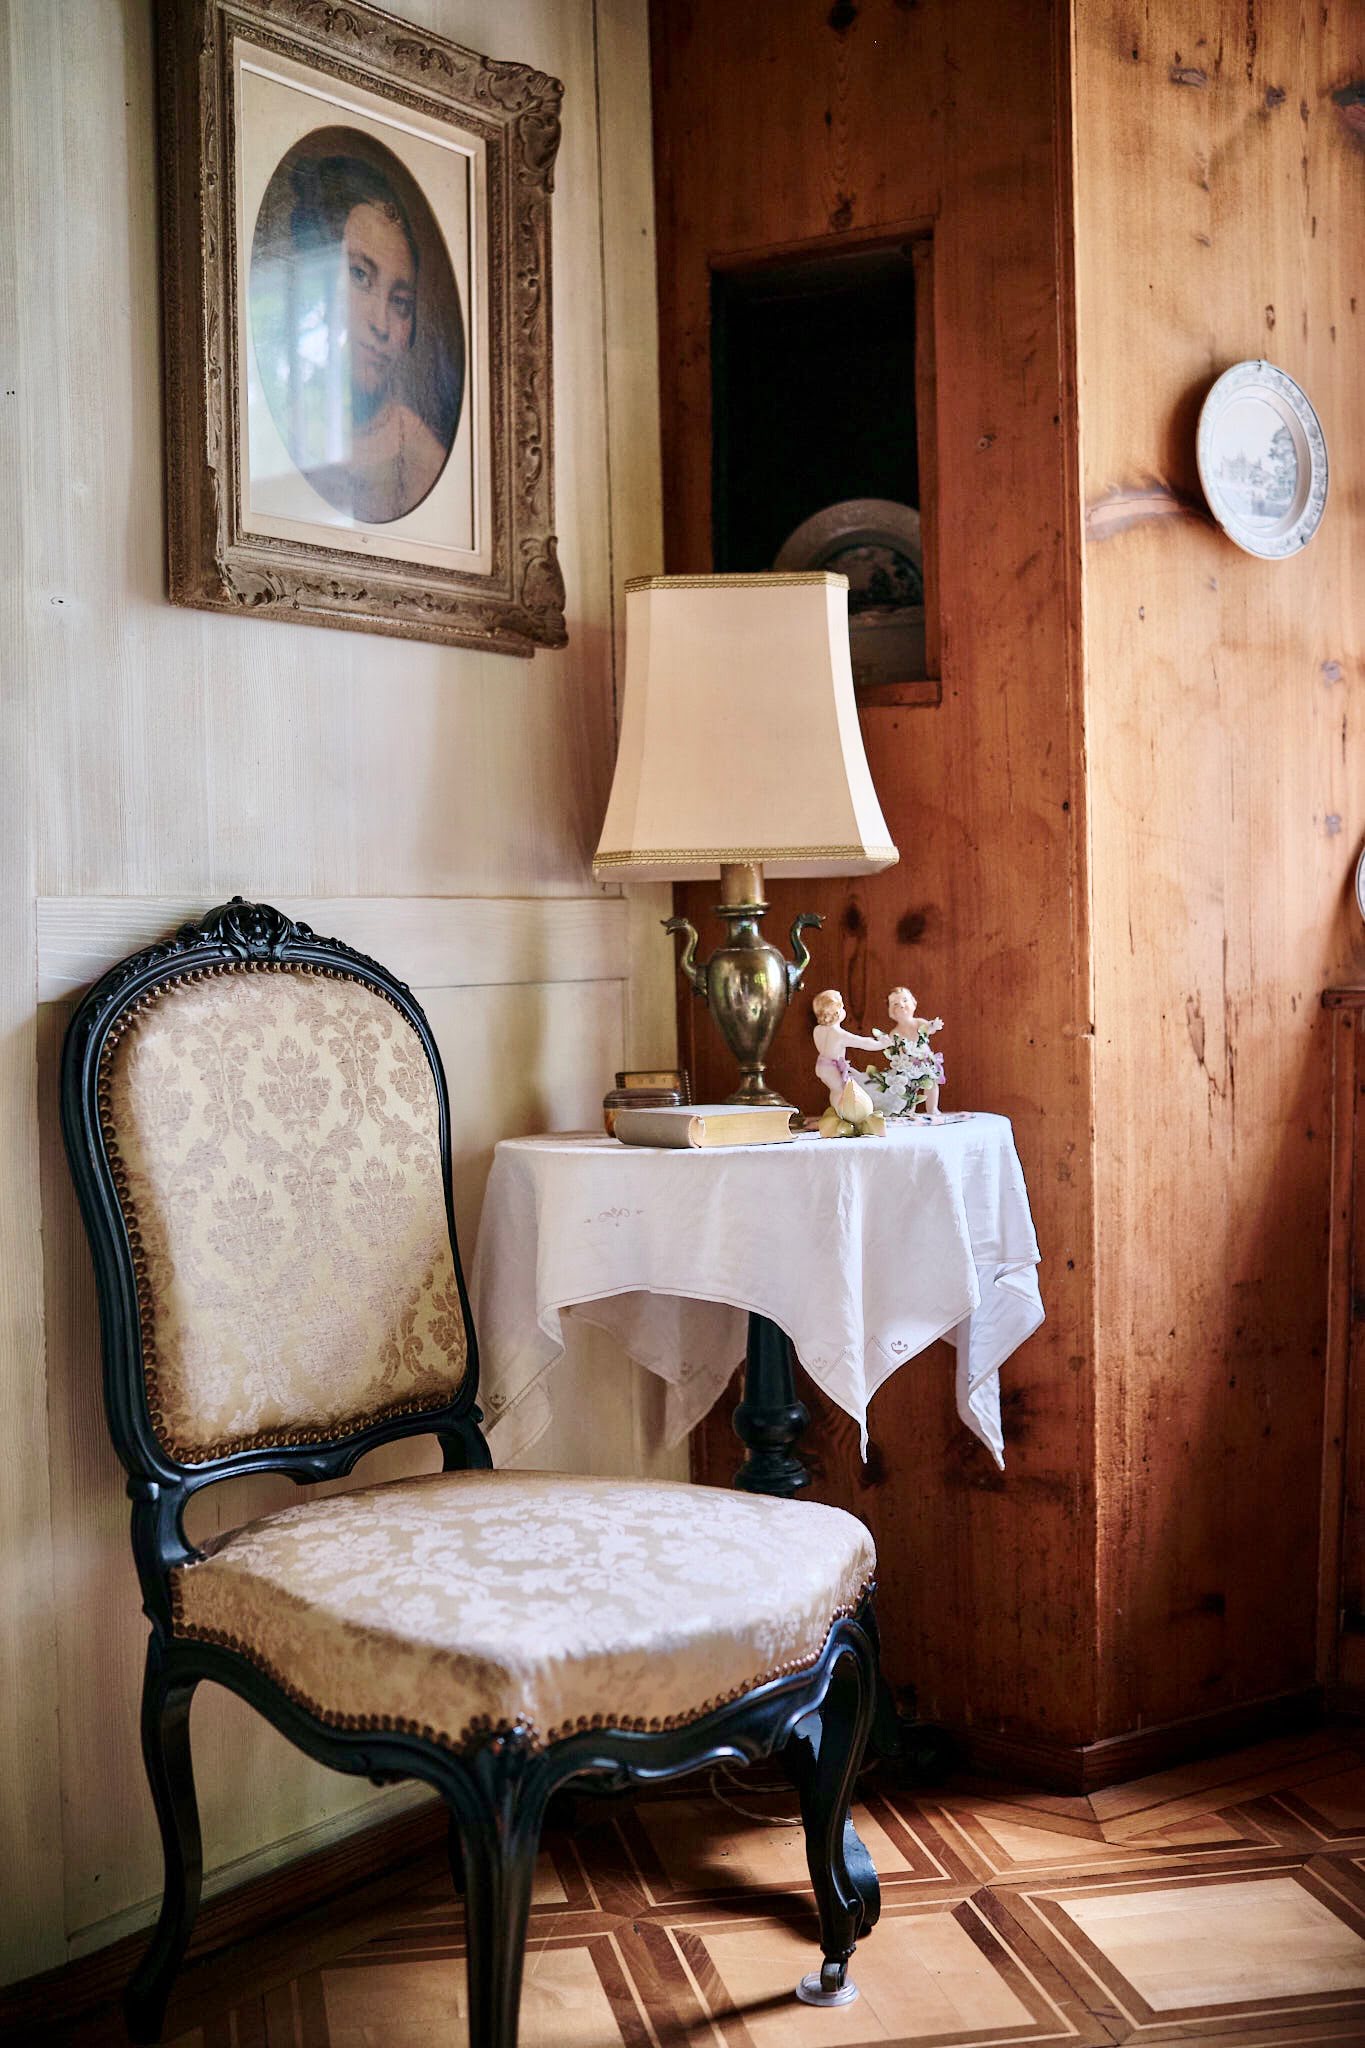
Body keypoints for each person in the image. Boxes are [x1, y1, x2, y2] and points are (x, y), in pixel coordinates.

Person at [253, 150, 455, 523]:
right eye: (360, 275)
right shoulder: (265, 423)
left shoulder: (423, 460)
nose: (381, 323)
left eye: (400, 302)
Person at [811, 989, 883, 1128]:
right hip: (831, 1068)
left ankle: (838, 1114)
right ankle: (841, 1116)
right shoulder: (838, 1033)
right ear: (836, 1011)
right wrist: (881, 1044)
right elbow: (862, 1043)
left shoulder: (818, 1030)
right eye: (842, 1007)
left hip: (821, 1065)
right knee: (840, 1091)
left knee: (835, 1090)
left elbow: (822, 1049)